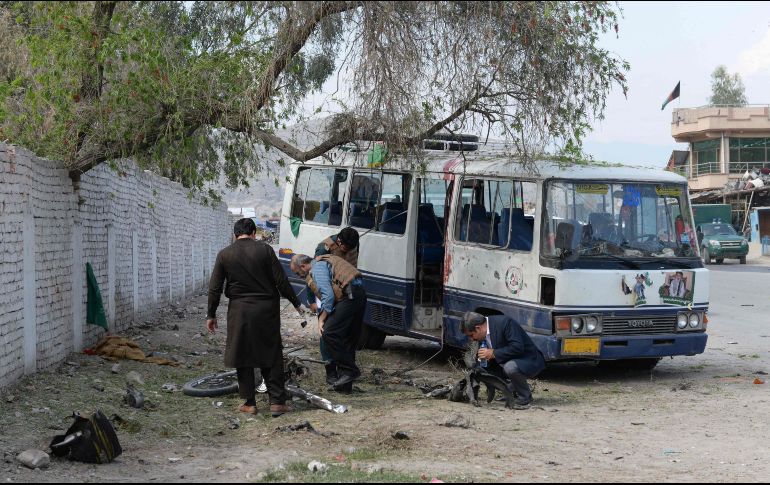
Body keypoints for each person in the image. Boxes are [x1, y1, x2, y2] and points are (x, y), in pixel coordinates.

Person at [206, 218, 303, 417]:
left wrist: (211, 314)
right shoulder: (265, 250)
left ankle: (249, 403)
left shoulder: (225, 254)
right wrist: (296, 303)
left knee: (242, 353)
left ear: (235, 235)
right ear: (253, 233)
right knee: (271, 352)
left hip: (239, 310)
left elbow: (214, 287)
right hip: (266, 309)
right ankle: (277, 402)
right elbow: (281, 280)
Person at [290, 253, 367, 393]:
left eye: (297, 273)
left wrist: (321, 319)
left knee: (329, 332)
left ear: (303, 266)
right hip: (357, 295)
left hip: (350, 297)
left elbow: (329, 296)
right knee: (347, 339)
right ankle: (344, 386)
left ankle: (350, 370)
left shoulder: (317, 268)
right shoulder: (323, 262)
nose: (299, 276)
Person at [460, 311, 545, 410]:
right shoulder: (482, 334)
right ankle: (511, 391)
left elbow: (517, 347)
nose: (471, 339)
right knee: (481, 370)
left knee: (510, 367)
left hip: (529, 360)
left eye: (471, 335)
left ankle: (525, 397)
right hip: (506, 362)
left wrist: (494, 353)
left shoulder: (506, 323)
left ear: (478, 328)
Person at [312, 227, 361, 384]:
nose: (348, 250)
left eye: (351, 248)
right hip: (328, 293)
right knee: (326, 330)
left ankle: (345, 370)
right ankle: (330, 370)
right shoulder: (325, 248)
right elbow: (312, 275)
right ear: (339, 241)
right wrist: (312, 301)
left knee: (348, 330)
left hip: (347, 292)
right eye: (345, 247)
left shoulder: (354, 245)